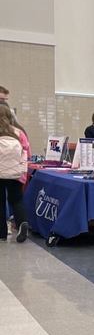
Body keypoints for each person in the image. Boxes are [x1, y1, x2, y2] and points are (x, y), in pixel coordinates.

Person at [0, 104, 29, 243]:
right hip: (16, 172)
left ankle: (1, 233)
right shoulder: (19, 132)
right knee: (16, 200)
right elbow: (27, 152)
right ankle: (22, 221)